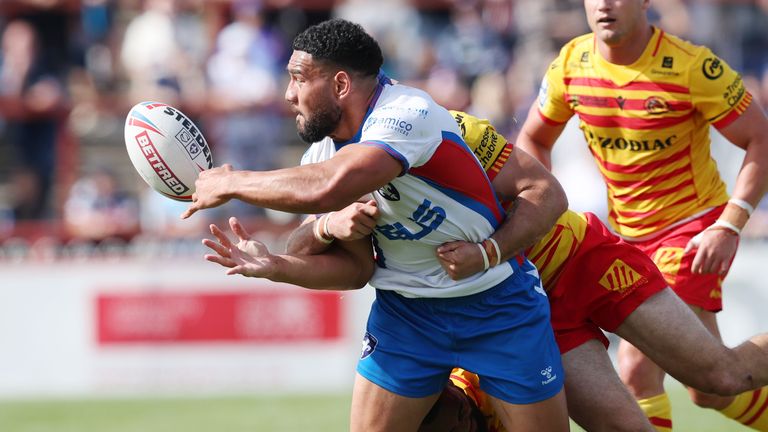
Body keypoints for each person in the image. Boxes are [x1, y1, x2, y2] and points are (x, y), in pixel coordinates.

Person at [204, 111, 768, 431]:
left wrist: (491, 251)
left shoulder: (442, 129)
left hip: (575, 259)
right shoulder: (327, 169)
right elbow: (325, 247)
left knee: (719, 378)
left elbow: (540, 188)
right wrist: (326, 228)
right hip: (514, 315)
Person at [185, 19, 570, 432]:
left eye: (298, 78)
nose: (289, 94)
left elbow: (332, 187)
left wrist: (232, 181)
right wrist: (279, 262)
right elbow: (356, 270)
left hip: (498, 305)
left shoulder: (406, 114)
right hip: (407, 316)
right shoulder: (320, 157)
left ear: (340, 85)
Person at [515, 0, 768, 430]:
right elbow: (534, 138)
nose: (604, 4)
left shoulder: (692, 68)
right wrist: (538, 206)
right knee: (710, 386)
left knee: (635, 365)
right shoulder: (571, 64)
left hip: (691, 235)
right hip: (629, 238)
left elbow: (760, 138)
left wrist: (729, 224)